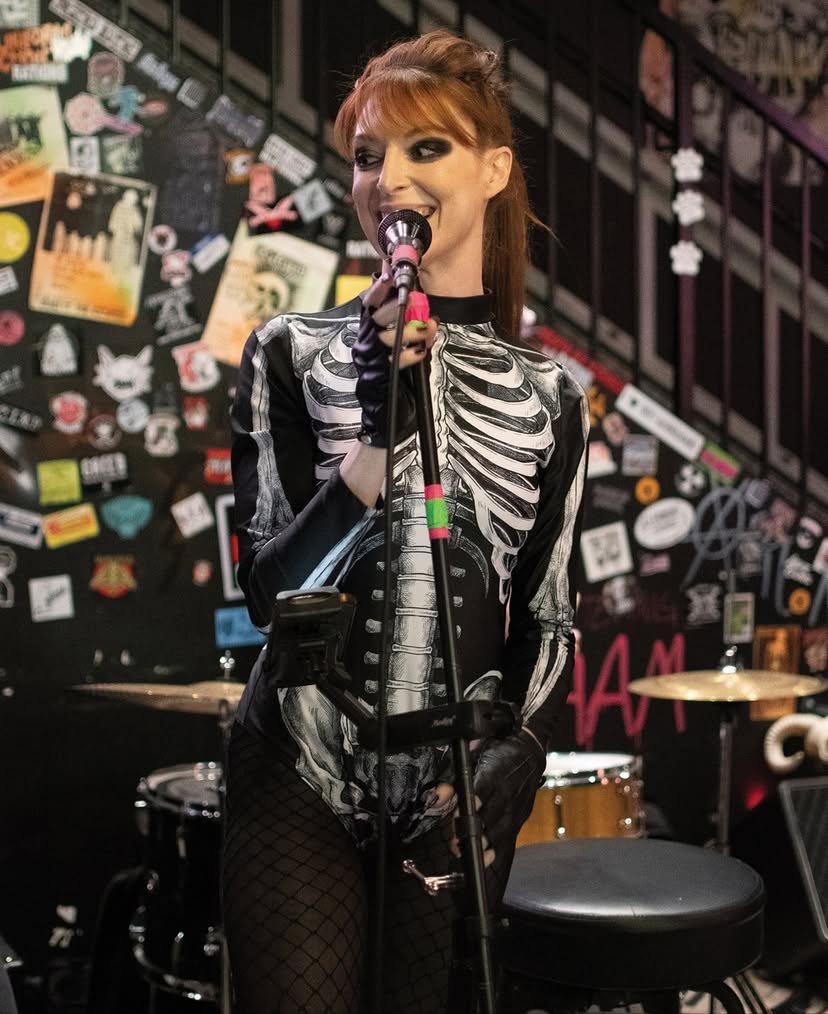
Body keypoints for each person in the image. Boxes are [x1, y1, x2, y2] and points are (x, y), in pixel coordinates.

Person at [224, 28, 589, 1014]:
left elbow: (550, 612)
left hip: (450, 780)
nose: (388, 179)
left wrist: (524, 748)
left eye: (427, 147)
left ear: (494, 169)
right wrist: (371, 456)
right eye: (367, 155)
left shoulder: (552, 395)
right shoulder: (290, 352)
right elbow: (267, 591)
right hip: (300, 755)